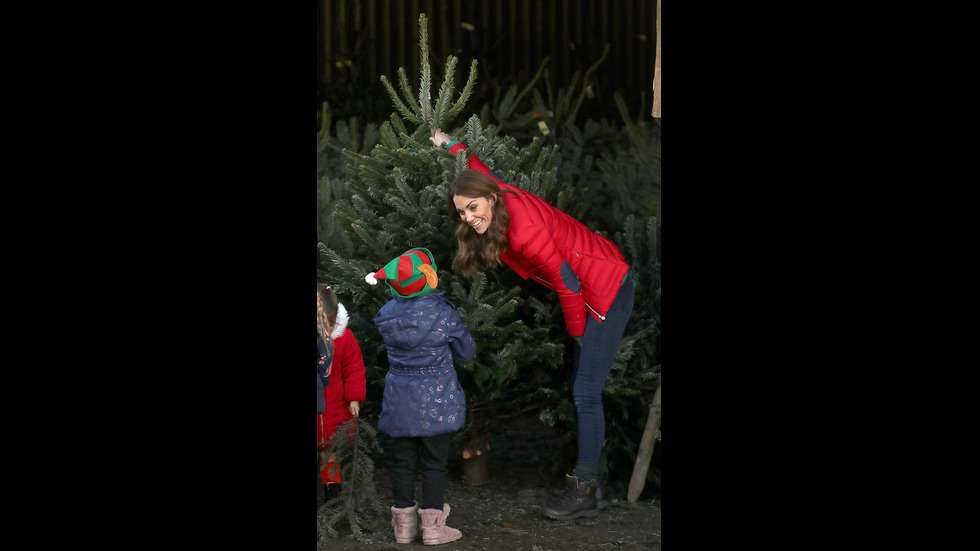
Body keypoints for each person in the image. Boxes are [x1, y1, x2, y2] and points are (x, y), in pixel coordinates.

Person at [429, 129, 636, 521]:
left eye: (473, 208)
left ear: (490, 199)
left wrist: (578, 334)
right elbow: (474, 164)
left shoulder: (524, 231)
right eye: (462, 212)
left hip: (605, 288)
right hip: (595, 276)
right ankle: (594, 484)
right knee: (583, 388)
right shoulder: (496, 192)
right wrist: (449, 143)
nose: (469, 219)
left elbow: (568, 284)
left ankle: (587, 489)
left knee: (585, 391)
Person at [365, 247, 475, 546]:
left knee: (402, 462)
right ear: (429, 277)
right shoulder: (444, 314)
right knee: (434, 463)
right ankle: (433, 530)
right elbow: (466, 352)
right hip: (437, 400)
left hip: (399, 398)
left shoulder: (386, 315)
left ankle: (403, 529)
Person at [315, 283, 368, 503]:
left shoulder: (344, 337)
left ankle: (332, 498)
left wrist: (354, 397)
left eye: (328, 322)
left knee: (330, 455)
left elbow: (354, 368)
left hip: (333, 408)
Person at [316, 284, 335, 509]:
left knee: (329, 454)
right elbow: (325, 365)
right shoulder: (324, 336)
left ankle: (332, 498)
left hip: (330, 419)